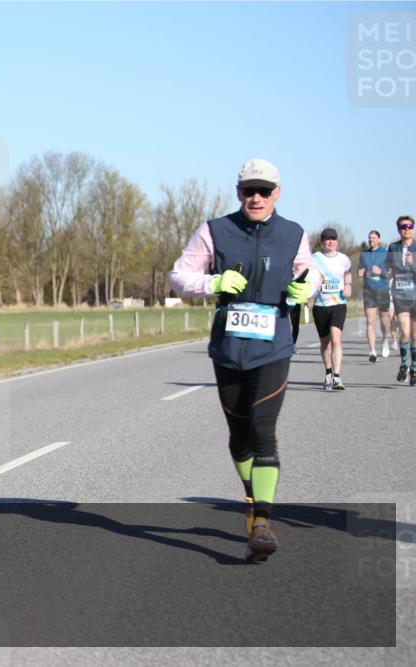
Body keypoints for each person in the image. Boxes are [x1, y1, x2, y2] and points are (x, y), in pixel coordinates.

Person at [169, 158, 317, 562]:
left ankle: (264, 521)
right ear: (238, 193)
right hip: (230, 346)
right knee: (239, 435)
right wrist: (212, 282)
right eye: (248, 190)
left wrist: (308, 289)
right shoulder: (215, 230)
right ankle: (252, 501)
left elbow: (310, 272)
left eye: (264, 191)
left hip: (274, 343)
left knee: (263, 426)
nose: (256, 197)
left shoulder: (293, 233)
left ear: (277, 194)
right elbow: (179, 275)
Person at [311, 228, 352, 390]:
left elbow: (348, 273)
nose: (330, 242)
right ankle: (328, 371)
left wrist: (348, 285)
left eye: (333, 239)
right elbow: (307, 276)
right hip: (321, 305)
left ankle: (337, 376)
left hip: (338, 304)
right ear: (322, 241)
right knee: (325, 344)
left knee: (336, 339)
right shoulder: (315, 258)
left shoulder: (344, 259)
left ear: (337, 241)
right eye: (327, 239)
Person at [387, 215, 416, 385]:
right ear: (398, 230)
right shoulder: (393, 247)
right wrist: (387, 272)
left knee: (414, 334)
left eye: (409, 226)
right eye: (403, 226)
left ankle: (414, 368)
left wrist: (412, 265)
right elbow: (389, 267)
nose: (407, 229)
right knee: (404, 332)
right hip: (400, 295)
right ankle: (404, 365)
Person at [358, 230, 393, 361]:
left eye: (373, 238)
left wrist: (381, 272)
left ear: (379, 239)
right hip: (368, 291)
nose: (371, 240)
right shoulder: (364, 254)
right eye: (369, 238)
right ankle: (372, 351)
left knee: (385, 321)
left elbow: (391, 272)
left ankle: (385, 341)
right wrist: (359, 272)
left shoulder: (385, 253)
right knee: (370, 321)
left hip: (383, 290)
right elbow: (359, 270)